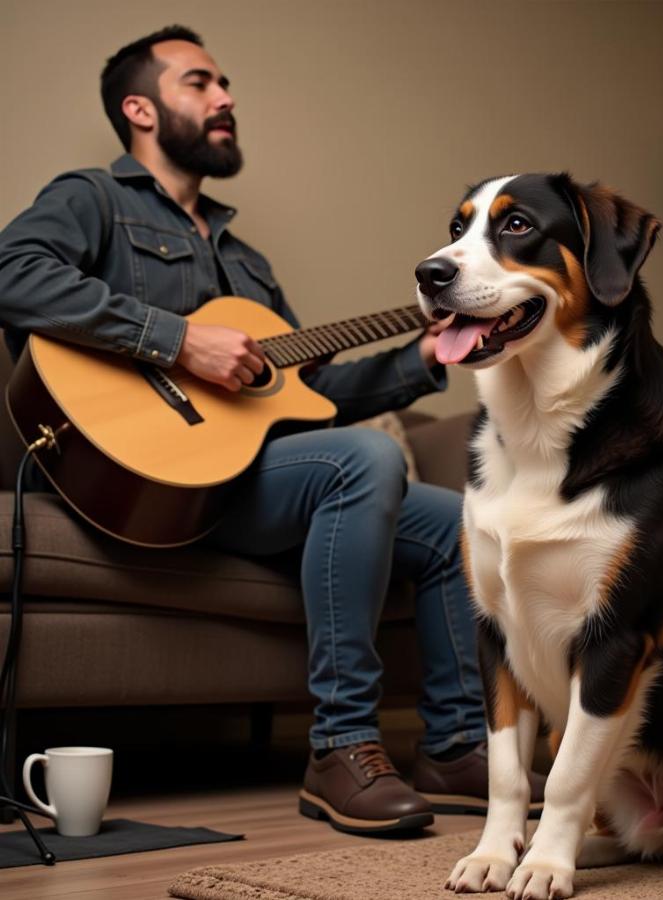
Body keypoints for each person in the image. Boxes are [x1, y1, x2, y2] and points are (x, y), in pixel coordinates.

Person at [0, 25, 543, 835]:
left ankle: (457, 743)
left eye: (226, 86)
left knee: (457, 521)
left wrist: (422, 359)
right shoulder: (93, 200)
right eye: (200, 84)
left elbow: (310, 399)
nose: (225, 99)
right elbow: (13, 275)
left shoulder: (247, 263)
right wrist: (180, 339)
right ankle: (342, 746)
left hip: (248, 481)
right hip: (139, 479)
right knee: (361, 463)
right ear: (139, 108)